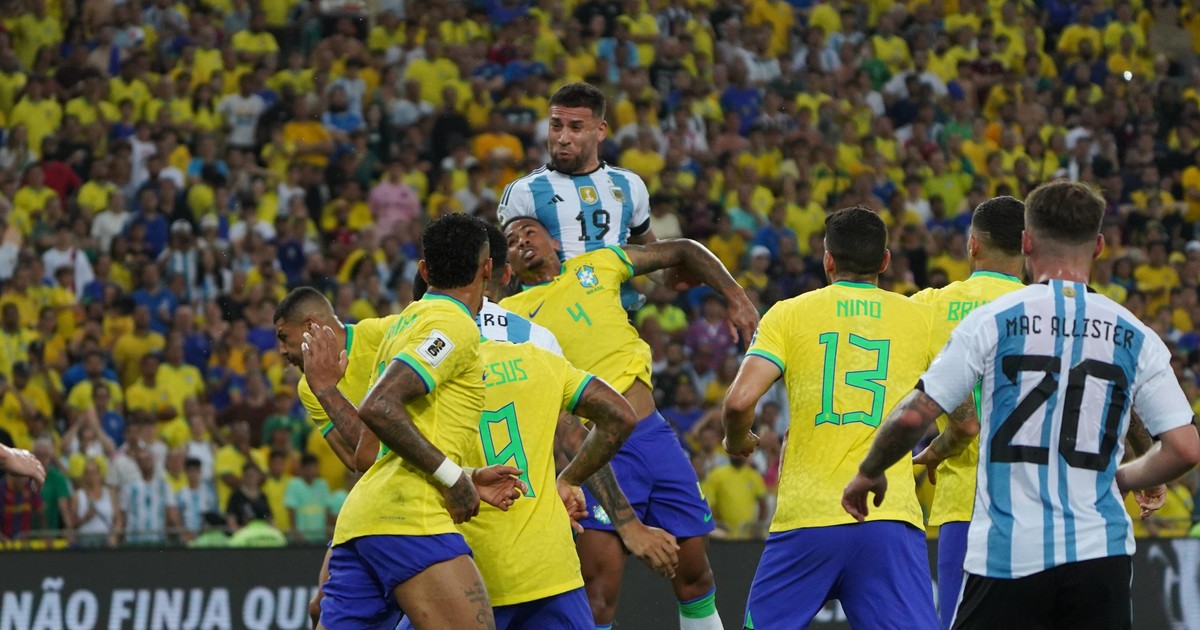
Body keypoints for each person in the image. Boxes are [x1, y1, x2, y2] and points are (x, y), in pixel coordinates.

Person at [843, 181, 1200, 630]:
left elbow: (916, 413)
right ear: (1099, 246)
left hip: (1003, 543)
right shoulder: (1130, 331)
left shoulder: (986, 320)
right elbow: (1183, 447)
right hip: (1099, 548)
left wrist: (870, 469)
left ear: (1028, 243)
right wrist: (1125, 477)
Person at [501, 216, 758, 629]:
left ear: (555, 241)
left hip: (654, 434)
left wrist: (735, 296)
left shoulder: (600, 263)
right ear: (507, 266)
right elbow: (556, 415)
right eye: (511, 241)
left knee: (695, 575)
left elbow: (683, 249)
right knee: (598, 592)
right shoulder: (509, 317)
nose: (521, 241)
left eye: (529, 232)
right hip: (595, 449)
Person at [302, 213, 525, 630]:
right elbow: (380, 406)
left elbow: (371, 453)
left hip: (362, 522)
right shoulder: (453, 325)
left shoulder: (401, 327)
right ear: (487, 269)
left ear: (424, 271)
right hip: (410, 519)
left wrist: (467, 475)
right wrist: (454, 480)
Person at [722, 206, 939, 629]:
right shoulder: (920, 318)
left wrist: (736, 440)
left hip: (808, 517)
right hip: (887, 514)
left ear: (828, 260)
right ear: (885, 261)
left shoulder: (788, 313)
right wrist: (942, 447)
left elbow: (738, 402)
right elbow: (964, 417)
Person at [907, 195, 1028, 629]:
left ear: (972, 244)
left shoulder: (929, 306)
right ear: (1028, 245)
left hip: (968, 498)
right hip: (1042, 501)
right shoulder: (1050, 309)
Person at [497, 82, 657, 310]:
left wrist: (673, 276)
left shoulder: (630, 184)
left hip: (617, 314)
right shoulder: (523, 191)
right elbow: (507, 266)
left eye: (575, 127)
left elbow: (647, 246)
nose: (563, 138)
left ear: (600, 131)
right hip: (553, 318)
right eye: (556, 126)